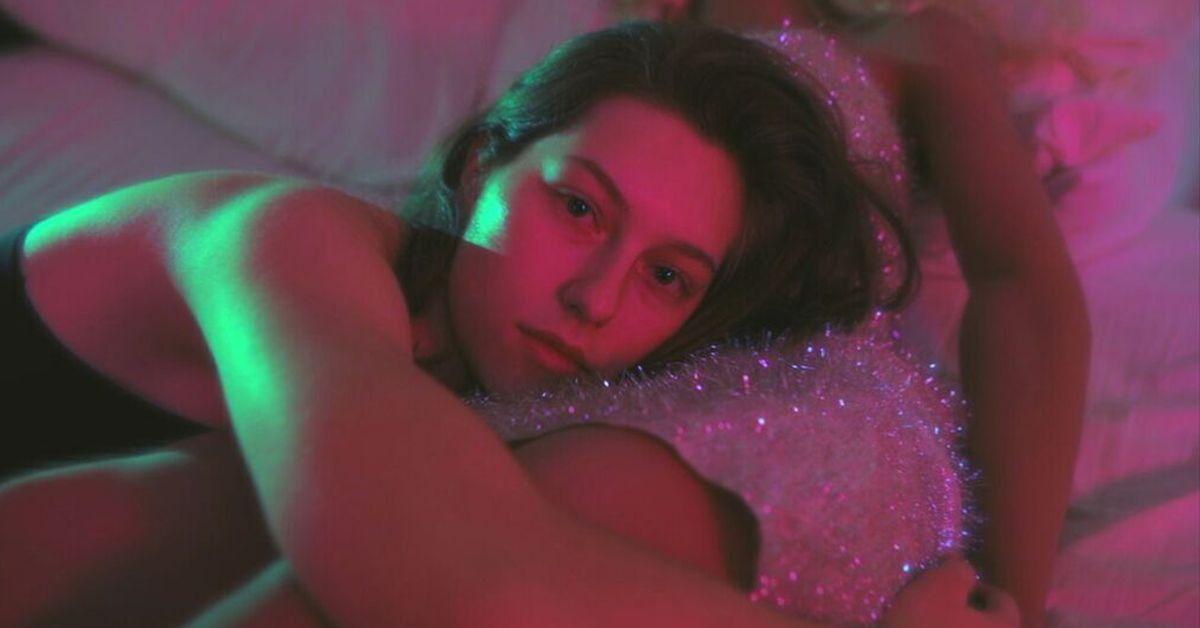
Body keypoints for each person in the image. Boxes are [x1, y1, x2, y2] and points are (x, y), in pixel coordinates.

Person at [0, 8, 1085, 628]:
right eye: (578, 209)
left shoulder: (479, 393)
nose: (595, 298)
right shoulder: (286, 244)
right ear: (483, 165)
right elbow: (451, 576)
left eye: (668, 277)